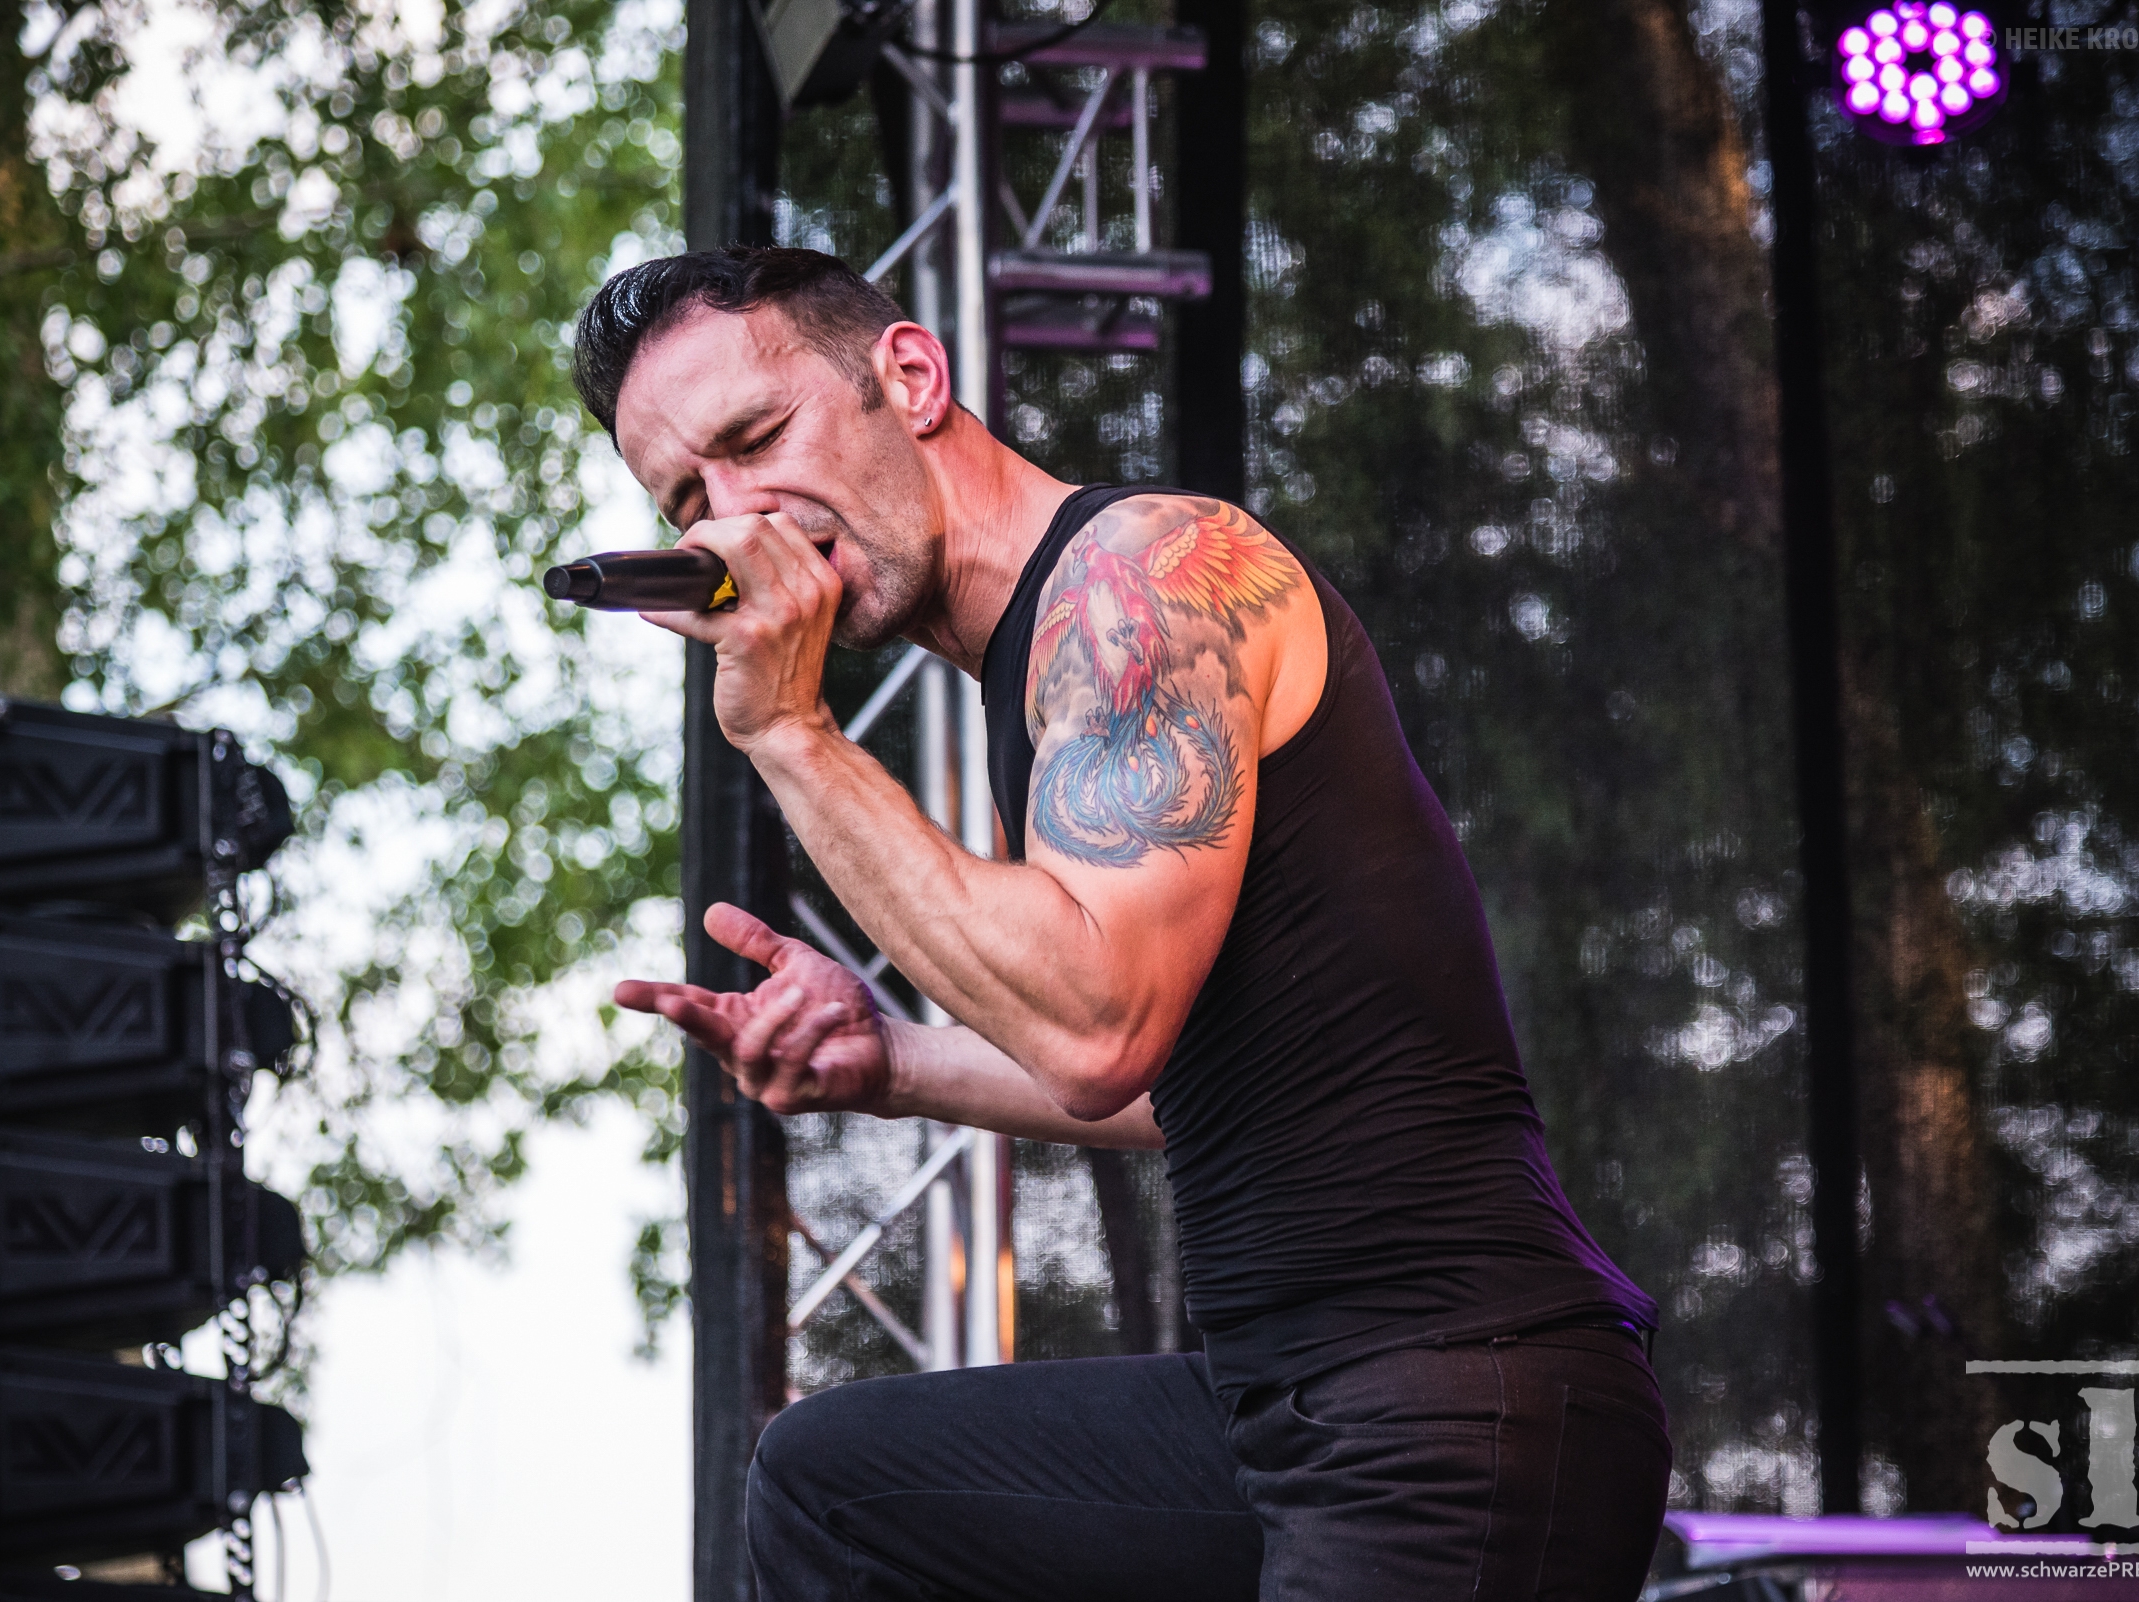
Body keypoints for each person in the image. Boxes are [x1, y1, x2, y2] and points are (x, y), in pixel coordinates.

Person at [579, 245, 1670, 1601]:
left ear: (909, 377)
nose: (737, 518)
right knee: (834, 1489)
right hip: (1280, 1405)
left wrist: (789, 730)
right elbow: (1184, 1078)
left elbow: (1097, 1028)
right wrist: (898, 1062)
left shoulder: (1144, 578)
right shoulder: (1036, 674)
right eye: (690, 499)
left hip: (1449, 1392)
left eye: (756, 439)